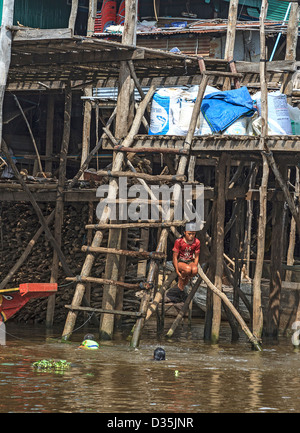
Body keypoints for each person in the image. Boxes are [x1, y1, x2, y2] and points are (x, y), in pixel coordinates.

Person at [172, 223, 200, 291]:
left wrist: (193, 270)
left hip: (189, 261)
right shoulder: (179, 241)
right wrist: (177, 270)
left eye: (193, 234)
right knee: (187, 269)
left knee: (195, 270)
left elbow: (196, 257)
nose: (191, 236)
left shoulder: (197, 242)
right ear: (185, 233)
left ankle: (186, 277)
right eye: (189, 234)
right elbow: (175, 257)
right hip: (180, 261)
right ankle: (181, 279)